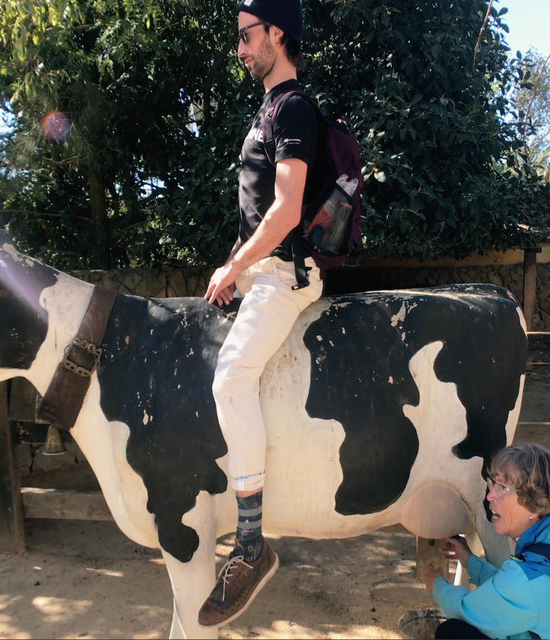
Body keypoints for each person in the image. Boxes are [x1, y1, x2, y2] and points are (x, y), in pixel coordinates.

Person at [198, 0, 324, 628]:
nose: (241, 49)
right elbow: (257, 220)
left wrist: (234, 270)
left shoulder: (293, 106)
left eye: (247, 36)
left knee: (230, 379)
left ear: (277, 34)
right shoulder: (270, 108)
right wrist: (233, 267)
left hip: (285, 276)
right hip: (262, 271)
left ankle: (251, 545)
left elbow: (286, 212)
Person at [424, 443, 550, 639]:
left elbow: (468, 610)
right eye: (494, 484)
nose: (490, 495)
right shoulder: (541, 550)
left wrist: (438, 586)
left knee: (452, 632)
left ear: (535, 504)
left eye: (503, 488)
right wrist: (470, 562)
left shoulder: (528, 578)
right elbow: (507, 590)